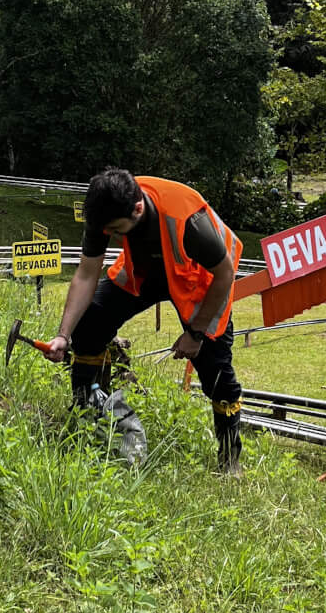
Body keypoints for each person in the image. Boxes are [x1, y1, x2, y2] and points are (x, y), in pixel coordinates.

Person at [48, 167, 245, 471]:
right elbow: (87, 274)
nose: (110, 236)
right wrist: (64, 335)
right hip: (145, 272)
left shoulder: (190, 222)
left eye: (115, 230)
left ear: (138, 209)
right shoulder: (106, 209)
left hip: (201, 282)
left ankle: (230, 463)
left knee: (216, 371)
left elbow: (225, 274)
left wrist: (195, 334)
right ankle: (87, 419)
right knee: (88, 326)